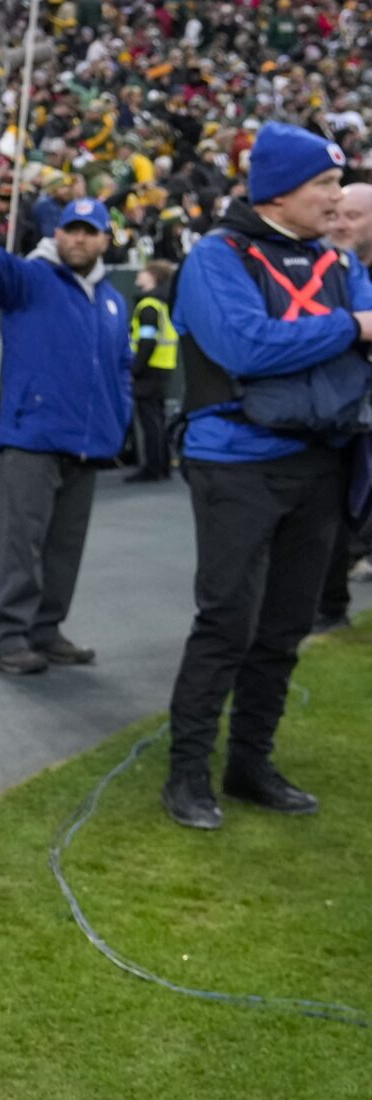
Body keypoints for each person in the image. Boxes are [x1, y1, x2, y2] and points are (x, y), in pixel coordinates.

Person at [161, 121, 370, 829]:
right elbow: (248, 347)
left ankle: (250, 763)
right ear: (281, 191)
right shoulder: (218, 258)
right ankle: (186, 775)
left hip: (320, 462)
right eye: (325, 185)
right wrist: (353, 329)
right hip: (238, 463)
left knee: (284, 627)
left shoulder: (337, 264)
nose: (337, 200)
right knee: (226, 622)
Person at [0, 161, 134, 675]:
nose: (78, 239)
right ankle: (8, 637)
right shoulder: (28, 279)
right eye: (71, 228)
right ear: (57, 231)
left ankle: (45, 630)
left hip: (88, 440)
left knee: (64, 546)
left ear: (105, 241)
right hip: (33, 436)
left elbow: (120, 368)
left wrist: (118, 421)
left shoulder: (112, 300)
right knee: (20, 544)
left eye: (89, 232)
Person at [312, 181, 372, 627]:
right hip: (336, 413)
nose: (341, 224)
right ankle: (330, 607)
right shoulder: (320, 269)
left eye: (353, 215)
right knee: (325, 508)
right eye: (336, 214)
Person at [124, 258, 180, 483]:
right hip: (163, 366)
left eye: (144, 272)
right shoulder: (162, 303)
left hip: (149, 369)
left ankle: (154, 467)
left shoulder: (148, 306)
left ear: (154, 277)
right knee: (157, 418)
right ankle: (162, 465)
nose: (139, 275)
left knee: (150, 420)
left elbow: (147, 342)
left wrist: (135, 370)